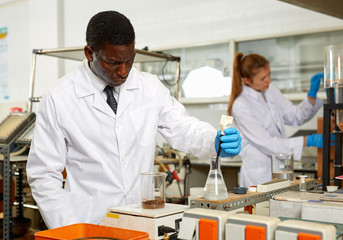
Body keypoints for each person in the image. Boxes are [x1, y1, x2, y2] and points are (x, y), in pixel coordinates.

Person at [26, 10, 241, 229]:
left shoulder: (149, 87)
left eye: (130, 61)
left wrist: (212, 140)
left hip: (143, 220)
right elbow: (43, 176)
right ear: (90, 53)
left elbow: (183, 127)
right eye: (113, 62)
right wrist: (71, 229)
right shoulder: (59, 98)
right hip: (89, 223)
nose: (124, 71)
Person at [228, 52, 324, 187]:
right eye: (263, 78)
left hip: (281, 169)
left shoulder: (270, 90)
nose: (269, 80)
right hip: (259, 176)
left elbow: (295, 116)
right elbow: (268, 143)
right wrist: (307, 140)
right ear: (247, 80)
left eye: (269, 74)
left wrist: (311, 96)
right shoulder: (241, 105)